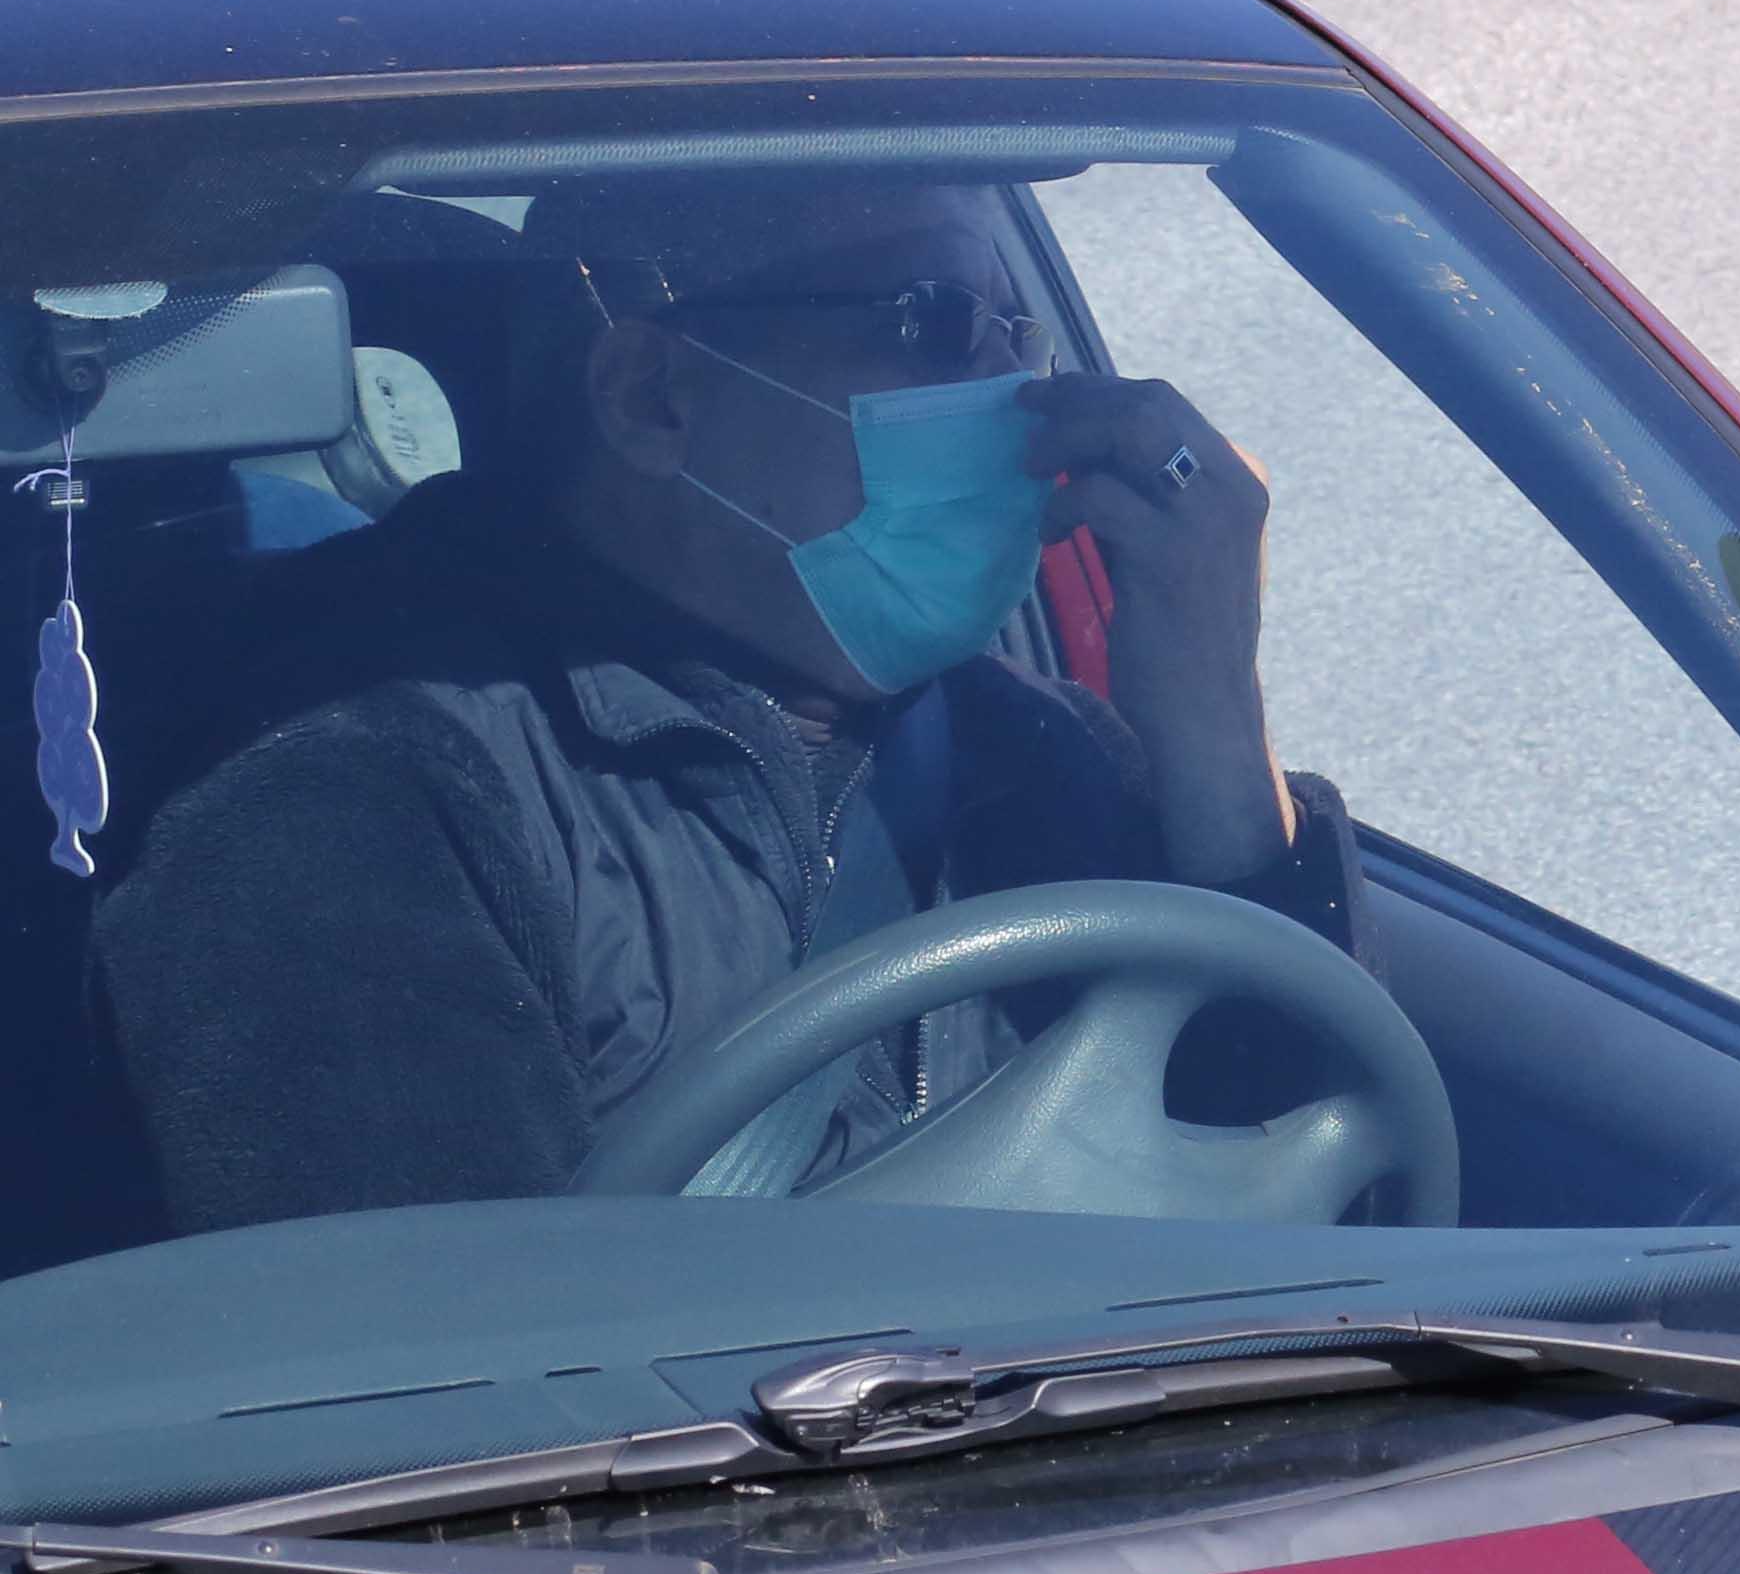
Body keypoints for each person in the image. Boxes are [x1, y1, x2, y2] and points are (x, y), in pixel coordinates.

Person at [98, 172, 1363, 1230]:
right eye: (933, 321)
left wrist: (1207, 711)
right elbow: (447, 1427)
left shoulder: (1026, 739)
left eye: (1016, 329)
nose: (1027, 398)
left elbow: (1307, 1197)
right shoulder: (348, 803)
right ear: (654, 397)